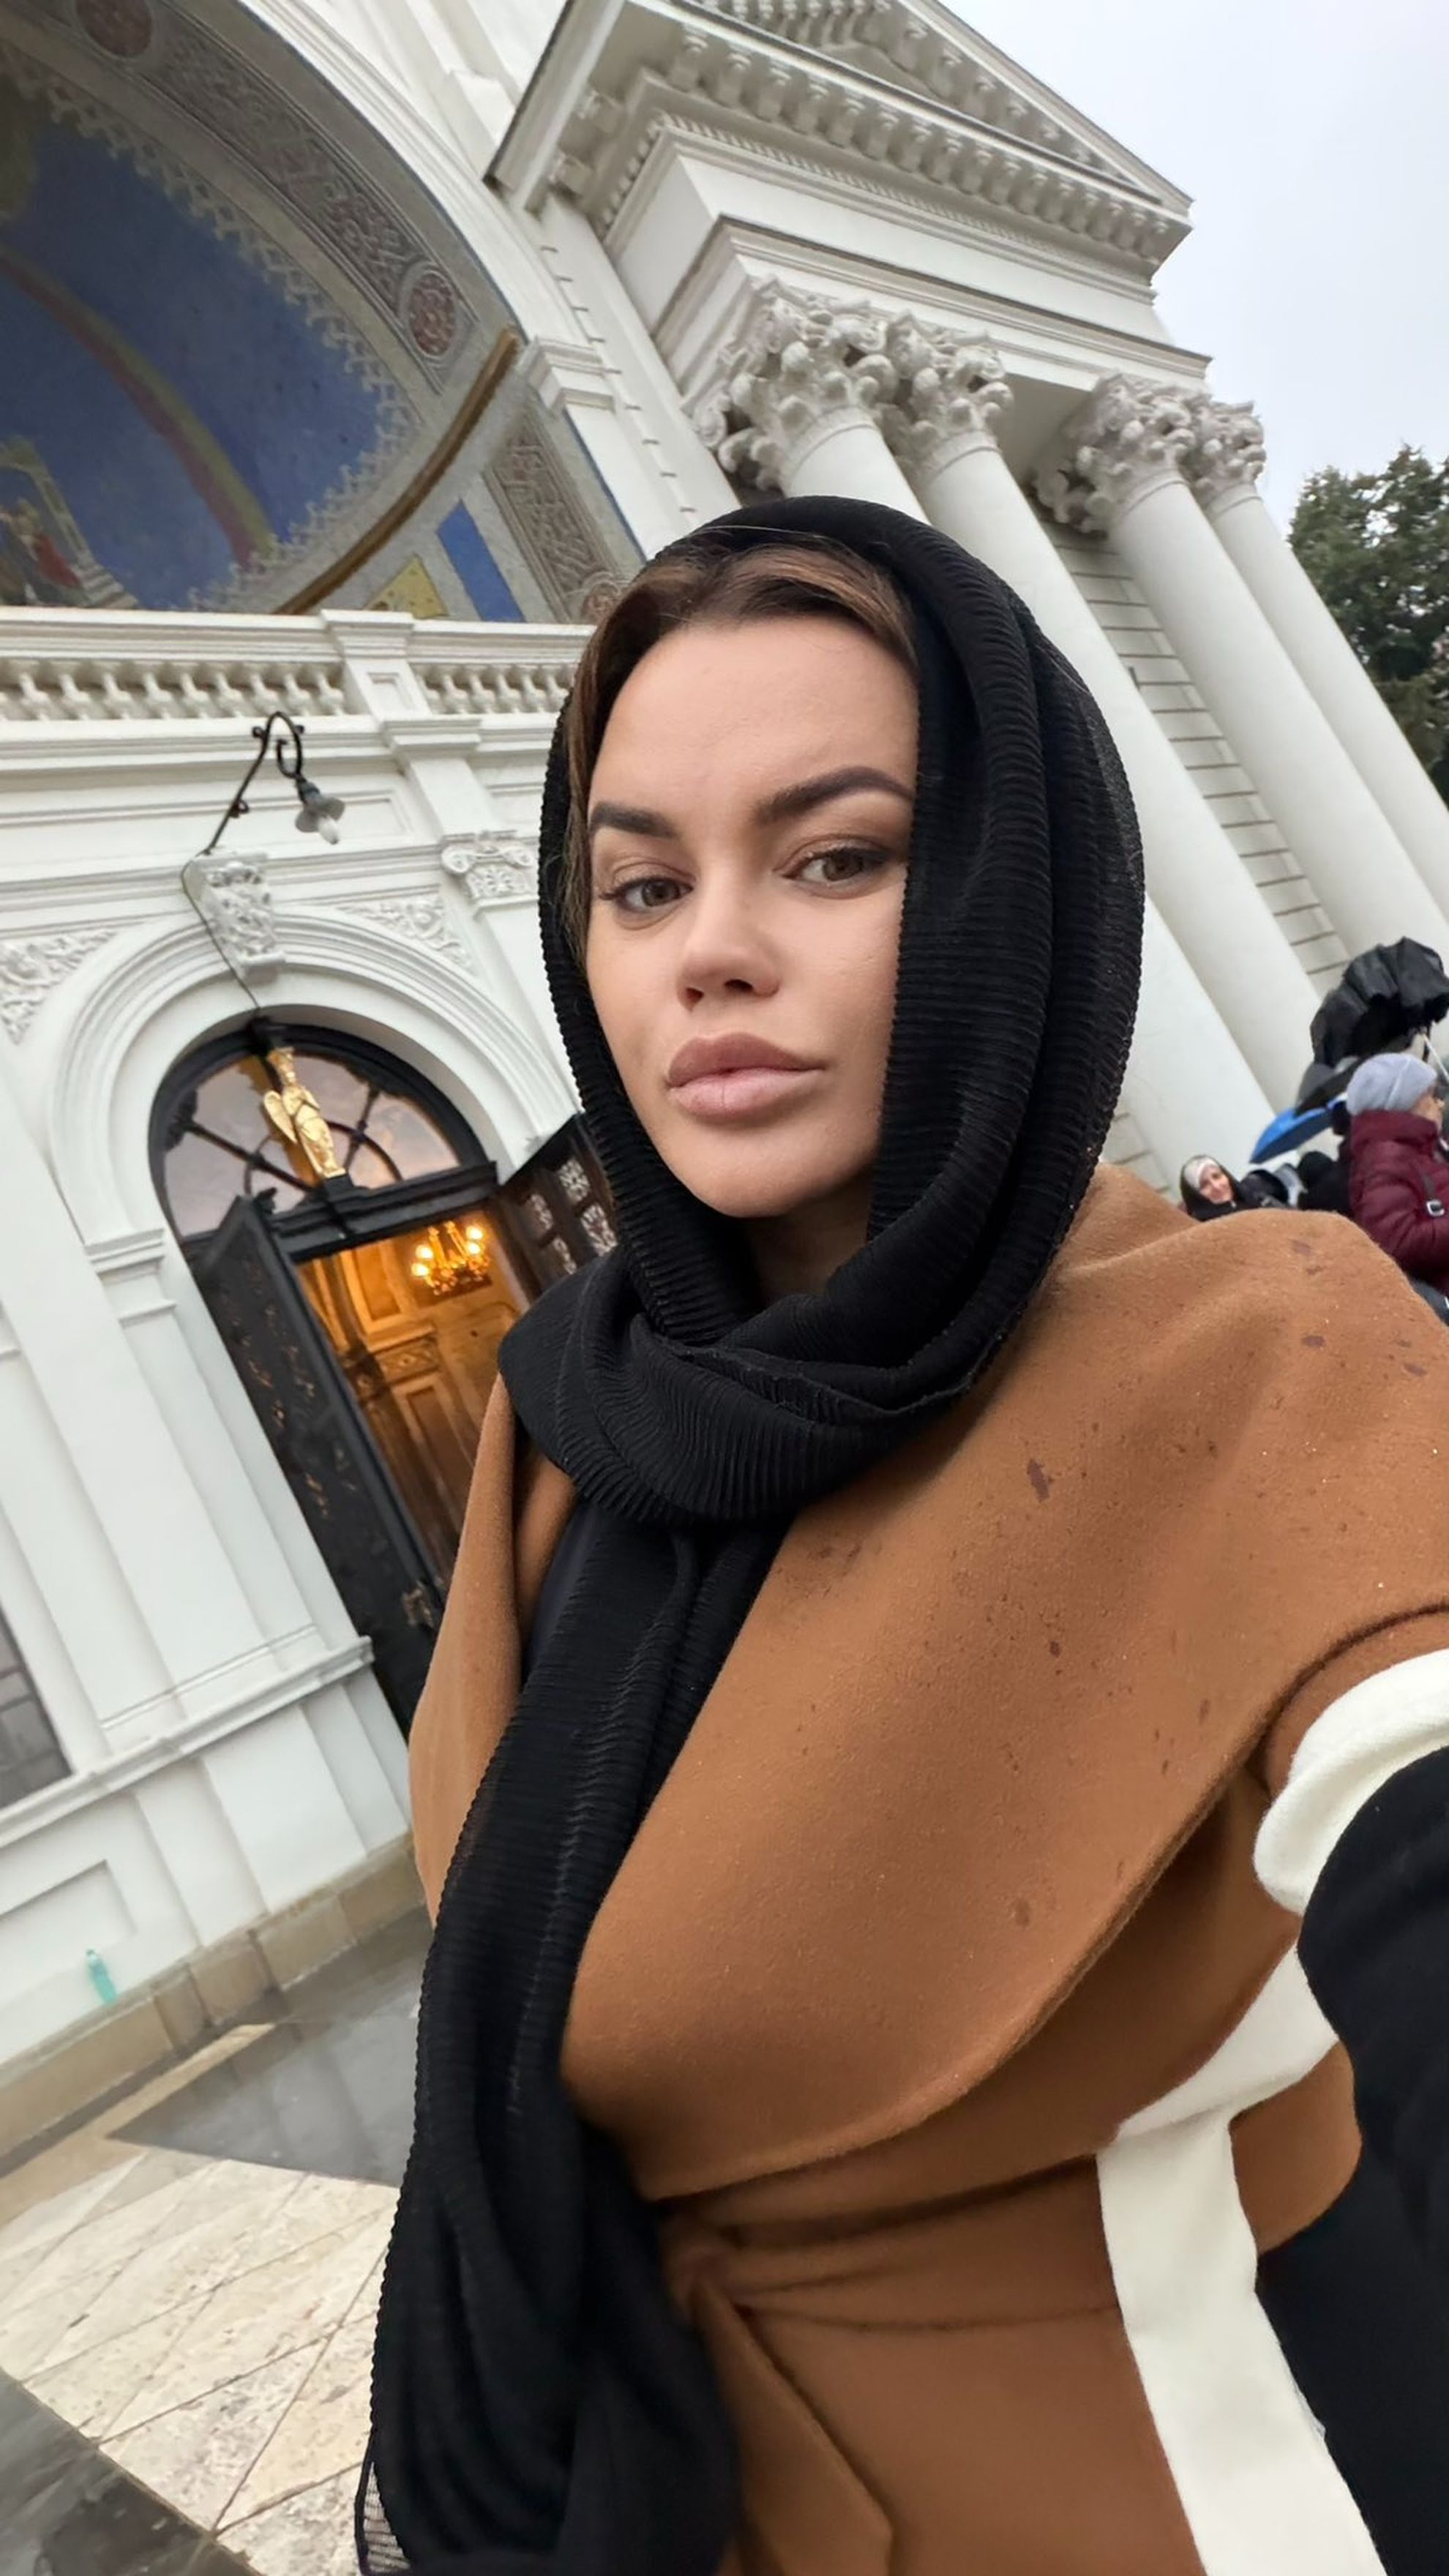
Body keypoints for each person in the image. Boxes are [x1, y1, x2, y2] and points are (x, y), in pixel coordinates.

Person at [364, 500, 1449, 2576]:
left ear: (1009, 884)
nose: (708, 950)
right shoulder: (560, 1423)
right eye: (640, 883)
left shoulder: (1251, 1342)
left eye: (835, 854)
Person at [1346, 1050, 1449, 1297]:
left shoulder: (1418, 1148)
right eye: (1430, 1096)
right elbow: (1398, 1240)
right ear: (1406, 1103)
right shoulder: (1386, 1161)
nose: (1440, 1104)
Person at [1180, 1153, 1287, 1218]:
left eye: (1217, 1176)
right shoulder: (1205, 1231)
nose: (1216, 1186)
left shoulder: (1257, 1198)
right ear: (1195, 1195)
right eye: (1204, 1185)